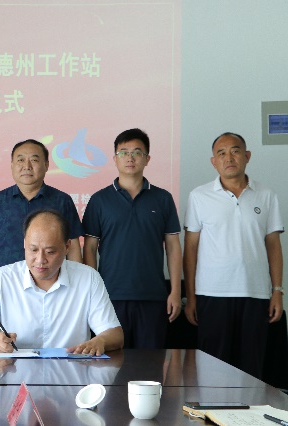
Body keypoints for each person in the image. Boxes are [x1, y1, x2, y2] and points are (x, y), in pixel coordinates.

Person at [183, 132, 283, 379]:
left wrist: (277, 291)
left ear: (247, 156)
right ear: (213, 161)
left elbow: (273, 245)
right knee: (212, 369)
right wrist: (191, 297)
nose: (229, 158)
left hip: (255, 294)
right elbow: (190, 249)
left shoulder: (266, 195)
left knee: (252, 369)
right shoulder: (199, 196)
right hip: (212, 294)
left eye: (235, 151)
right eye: (222, 153)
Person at [0, 209, 123, 355]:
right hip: (16, 372)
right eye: (33, 250)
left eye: (50, 252)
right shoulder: (0, 280)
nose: (40, 260)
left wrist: (100, 341)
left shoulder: (88, 278)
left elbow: (115, 334)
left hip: (71, 372)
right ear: (24, 243)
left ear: (67, 247)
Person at [82, 128, 182, 349]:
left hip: (153, 296)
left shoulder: (163, 198)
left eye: (137, 152)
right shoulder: (99, 200)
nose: (130, 158)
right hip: (109, 296)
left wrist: (175, 291)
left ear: (147, 159)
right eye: (124, 152)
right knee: (112, 361)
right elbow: (89, 249)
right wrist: (92, 292)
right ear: (115, 158)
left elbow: (173, 247)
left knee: (150, 362)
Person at [0, 139, 84, 291]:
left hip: (53, 287)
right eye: (20, 160)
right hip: (7, 286)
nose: (27, 166)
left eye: (34, 160)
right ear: (12, 165)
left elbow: (73, 248)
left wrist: (77, 290)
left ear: (46, 165)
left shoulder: (62, 201)